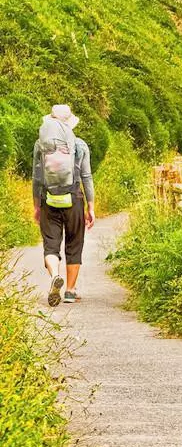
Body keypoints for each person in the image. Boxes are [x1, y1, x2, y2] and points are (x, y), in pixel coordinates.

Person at [32, 105, 96, 306]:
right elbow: (86, 177)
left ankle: (54, 277)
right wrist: (91, 207)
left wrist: (37, 205)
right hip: (74, 198)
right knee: (74, 243)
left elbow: (36, 178)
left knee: (51, 244)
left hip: (48, 198)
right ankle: (69, 291)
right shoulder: (80, 145)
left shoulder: (40, 145)